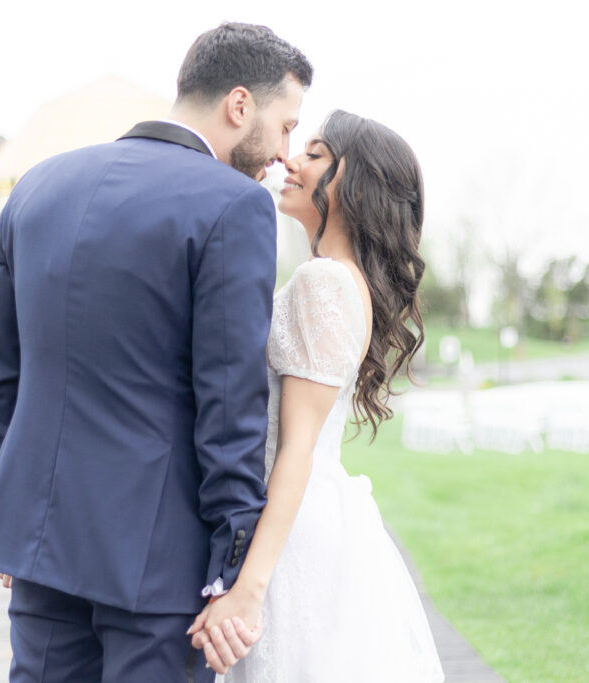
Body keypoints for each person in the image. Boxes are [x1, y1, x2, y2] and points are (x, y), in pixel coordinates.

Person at [0, 23, 312, 682]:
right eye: (286, 125)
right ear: (240, 105)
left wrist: (7, 505)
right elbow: (229, 402)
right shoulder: (234, 205)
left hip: (41, 547)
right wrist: (231, 564)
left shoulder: (33, 189)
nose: (285, 152)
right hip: (159, 563)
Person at [188, 110, 446, 681]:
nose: (290, 161)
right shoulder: (333, 275)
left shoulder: (323, 282)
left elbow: (296, 448)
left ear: (355, 184)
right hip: (311, 515)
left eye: (316, 153)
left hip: (293, 530)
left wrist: (248, 590)